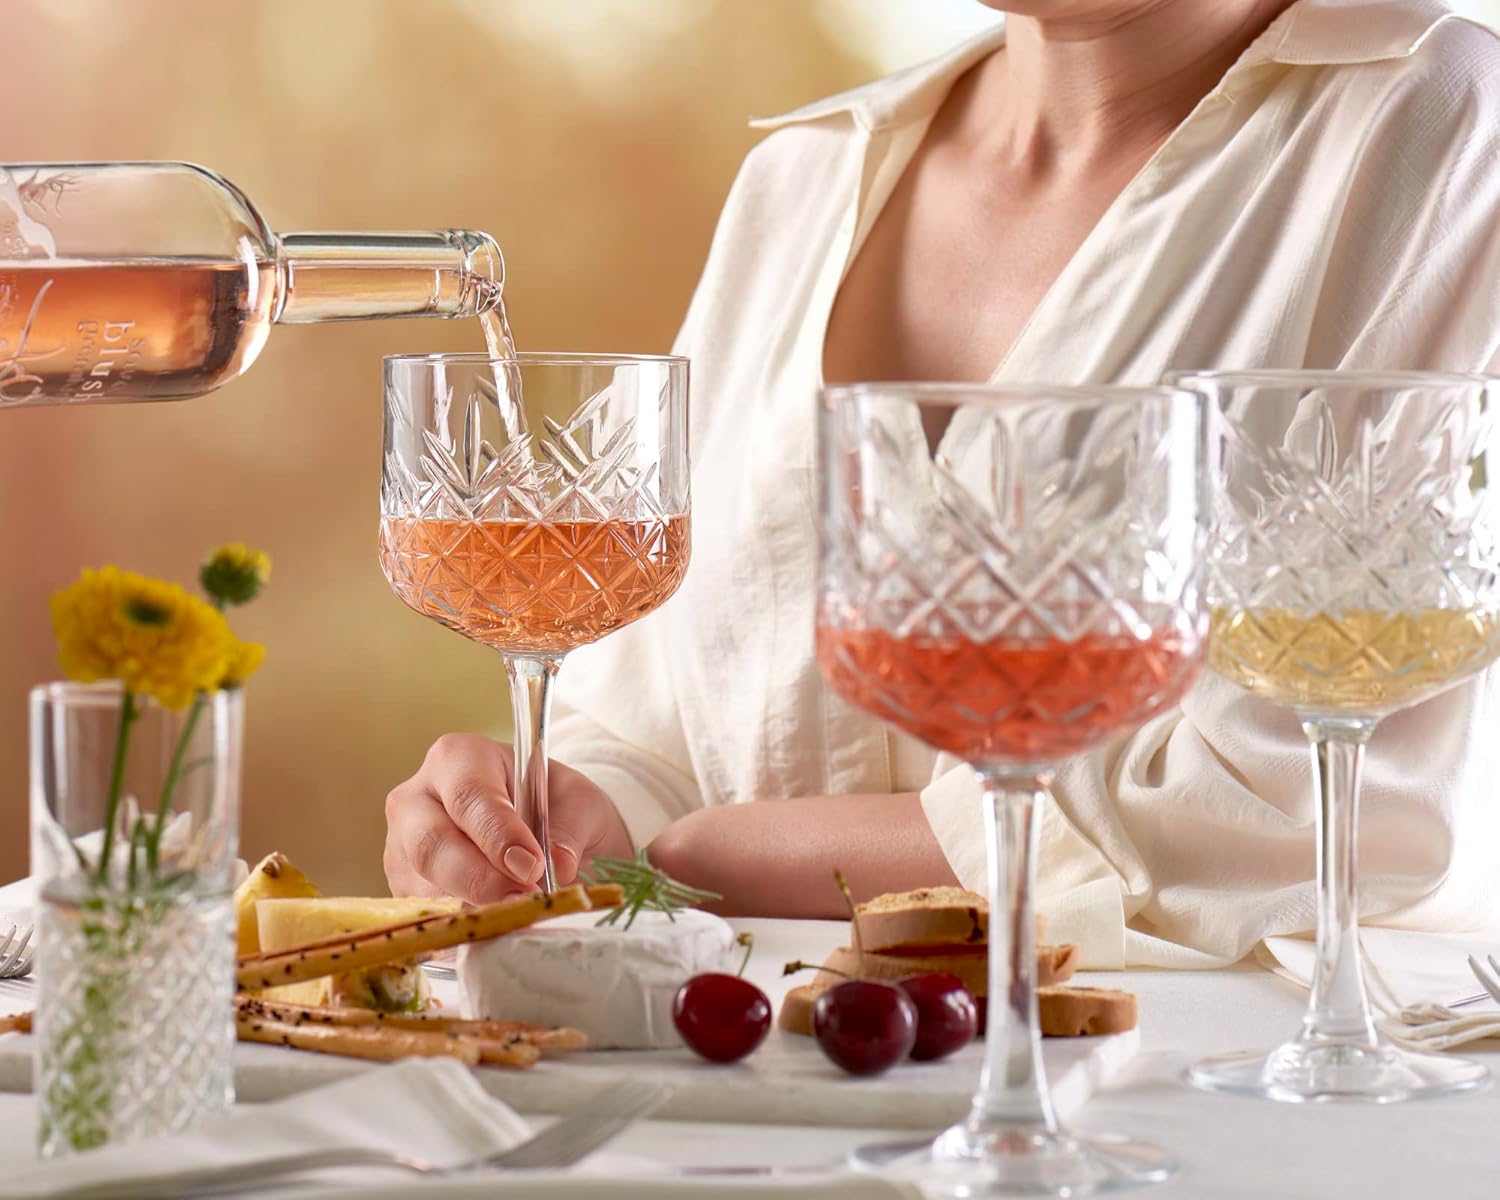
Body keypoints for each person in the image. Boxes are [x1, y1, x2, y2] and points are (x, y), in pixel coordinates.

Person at [383, 0, 1500, 966]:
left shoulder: (1436, 119)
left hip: (1205, 1124)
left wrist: (700, 855)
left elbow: (1291, 821)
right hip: (756, 1105)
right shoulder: (804, 178)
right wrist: (558, 818)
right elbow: (645, 723)